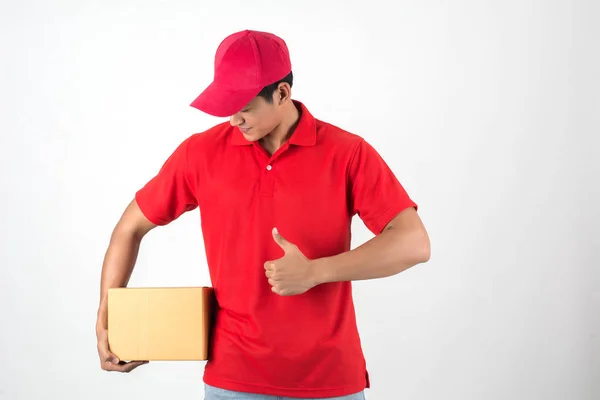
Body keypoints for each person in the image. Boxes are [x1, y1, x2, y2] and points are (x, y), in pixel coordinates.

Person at [95, 29, 431, 400]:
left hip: (329, 381)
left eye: (244, 107)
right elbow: (129, 228)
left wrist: (317, 272)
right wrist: (108, 318)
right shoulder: (199, 153)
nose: (234, 119)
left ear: (283, 93)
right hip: (232, 381)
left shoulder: (348, 153)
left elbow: (413, 243)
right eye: (227, 107)